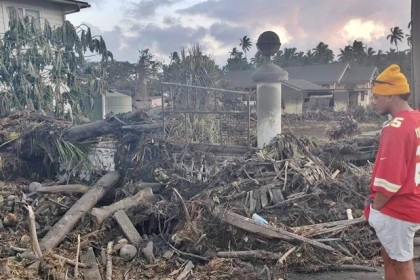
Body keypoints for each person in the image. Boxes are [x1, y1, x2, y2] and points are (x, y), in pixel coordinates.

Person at [364, 64, 420, 280]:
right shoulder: (416, 119)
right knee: (389, 256)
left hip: (398, 208)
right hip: (412, 201)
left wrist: (374, 209)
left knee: (403, 264)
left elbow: (390, 181)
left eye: (377, 96)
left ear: (392, 96)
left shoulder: (395, 129)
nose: (374, 101)